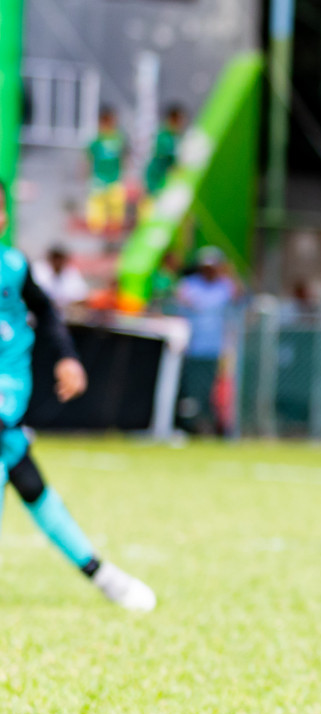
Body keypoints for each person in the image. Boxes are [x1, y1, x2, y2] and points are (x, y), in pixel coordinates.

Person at [0, 181, 155, 611]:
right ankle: (101, 574)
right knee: (28, 482)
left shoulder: (12, 266)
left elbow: (47, 312)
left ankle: (103, 575)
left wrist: (67, 357)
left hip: (7, 392)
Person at [173, 247, 240, 435]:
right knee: (190, 389)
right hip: (191, 348)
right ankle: (190, 426)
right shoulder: (189, 285)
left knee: (213, 390)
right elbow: (188, 303)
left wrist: (230, 273)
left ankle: (210, 426)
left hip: (215, 348)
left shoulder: (225, 285)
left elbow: (240, 298)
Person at [84, 108, 127, 237]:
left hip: (114, 178)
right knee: (96, 204)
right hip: (99, 178)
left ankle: (115, 228)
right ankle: (96, 230)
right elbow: (89, 158)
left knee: (117, 202)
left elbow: (123, 157)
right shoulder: (97, 140)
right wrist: (87, 175)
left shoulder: (118, 138)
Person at [141, 104, 185, 210]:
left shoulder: (174, 137)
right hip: (157, 182)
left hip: (163, 182)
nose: (182, 124)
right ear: (173, 119)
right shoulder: (164, 137)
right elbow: (170, 162)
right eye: (180, 120)